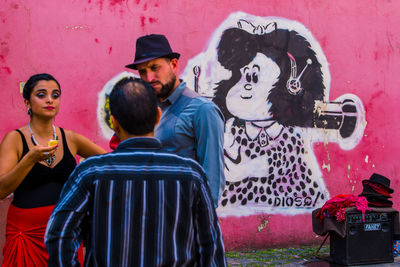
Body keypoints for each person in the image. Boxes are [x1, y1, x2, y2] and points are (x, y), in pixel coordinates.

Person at [45, 77, 226, 266]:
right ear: (157, 117)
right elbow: (211, 246)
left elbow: (59, 234)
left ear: (114, 123)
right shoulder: (191, 175)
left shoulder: (90, 173)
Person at [0, 73, 106, 266]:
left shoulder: (70, 138)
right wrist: (29, 160)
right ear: (27, 102)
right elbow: (1, 190)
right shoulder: (14, 139)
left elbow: (109, 162)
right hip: (27, 234)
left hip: (64, 231)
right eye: (41, 95)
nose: (50, 100)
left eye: (55, 95)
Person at [121, 34, 225, 207]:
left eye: (155, 68)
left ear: (174, 65)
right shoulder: (145, 110)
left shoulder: (202, 110)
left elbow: (212, 179)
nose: (149, 78)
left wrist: (200, 223)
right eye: (142, 72)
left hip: (183, 220)